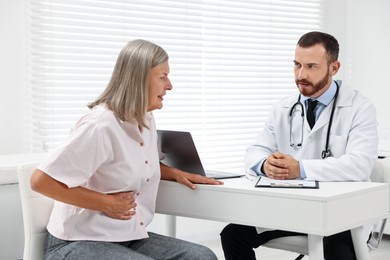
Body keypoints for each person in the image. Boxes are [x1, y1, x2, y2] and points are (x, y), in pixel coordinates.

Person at [30, 39, 223, 260]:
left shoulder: (146, 120)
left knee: (202, 256)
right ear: (139, 80)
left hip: (127, 237)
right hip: (75, 242)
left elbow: (139, 161)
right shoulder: (99, 126)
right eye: (162, 77)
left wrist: (176, 173)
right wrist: (106, 203)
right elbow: (40, 181)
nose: (169, 86)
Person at [220, 31, 378, 260]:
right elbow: (255, 150)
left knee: (336, 251)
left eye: (311, 66)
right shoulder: (284, 107)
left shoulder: (359, 108)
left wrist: (300, 169)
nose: (301, 75)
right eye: (297, 65)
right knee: (233, 235)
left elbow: (359, 165)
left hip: (342, 213)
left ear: (334, 68)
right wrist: (265, 165)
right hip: (296, 210)